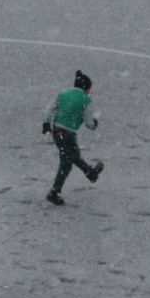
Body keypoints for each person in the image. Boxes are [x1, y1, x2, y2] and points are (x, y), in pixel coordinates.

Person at [42, 70, 104, 206]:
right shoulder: (86, 100)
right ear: (85, 88)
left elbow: (50, 109)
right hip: (68, 133)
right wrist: (94, 124)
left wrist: (46, 123)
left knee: (72, 154)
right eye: (89, 89)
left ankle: (90, 172)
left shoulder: (63, 94)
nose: (89, 92)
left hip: (57, 131)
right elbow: (89, 123)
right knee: (66, 163)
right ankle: (54, 192)